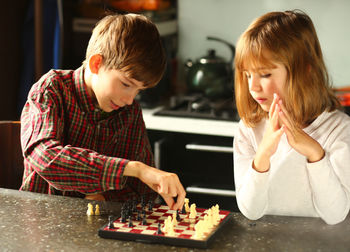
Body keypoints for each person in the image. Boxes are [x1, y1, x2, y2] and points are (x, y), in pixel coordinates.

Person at [20, 13, 186, 210]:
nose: (130, 99)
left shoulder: (128, 111)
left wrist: (104, 195)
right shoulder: (51, 90)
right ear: (96, 63)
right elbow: (45, 157)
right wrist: (132, 168)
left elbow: (141, 191)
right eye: (126, 84)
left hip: (100, 228)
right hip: (41, 223)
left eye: (138, 91)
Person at [233, 10, 350, 225]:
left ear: (304, 70)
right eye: (248, 75)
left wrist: (315, 153)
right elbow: (250, 211)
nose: (253, 86)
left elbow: (335, 215)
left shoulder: (339, 130)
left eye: (265, 74)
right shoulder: (248, 129)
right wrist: (264, 154)